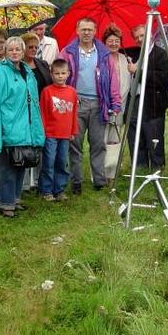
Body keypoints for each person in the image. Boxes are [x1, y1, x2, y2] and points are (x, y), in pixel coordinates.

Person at [59, 17, 121, 194]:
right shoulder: (67, 52)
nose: (86, 33)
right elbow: (58, 74)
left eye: (90, 29)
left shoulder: (104, 53)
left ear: (95, 32)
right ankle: (76, 182)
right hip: (76, 104)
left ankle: (99, 181)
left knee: (98, 144)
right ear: (77, 31)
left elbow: (113, 80)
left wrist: (115, 103)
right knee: (75, 145)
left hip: (99, 104)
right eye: (83, 29)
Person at [0, 36, 45, 217]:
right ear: (5, 51)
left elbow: (34, 102)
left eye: (18, 49)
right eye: (10, 49)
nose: (14, 52)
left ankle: (15, 198)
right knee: (8, 167)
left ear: (23, 51)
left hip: (26, 127)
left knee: (22, 163)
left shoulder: (27, 72)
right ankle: (5, 203)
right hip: (9, 126)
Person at [125, 24, 168, 169]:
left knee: (154, 136)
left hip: (153, 103)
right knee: (135, 136)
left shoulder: (161, 54)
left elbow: (162, 78)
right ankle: (139, 168)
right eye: (137, 37)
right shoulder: (136, 54)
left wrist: (138, 72)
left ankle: (157, 169)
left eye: (142, 35)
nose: (139, 39)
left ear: (150, 35)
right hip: (135, 101)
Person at [38, 59, 79, 201]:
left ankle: (59, 190)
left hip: (65, 134)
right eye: (57, 73)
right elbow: (42, 112)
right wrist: (43, 131)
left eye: (63, 73)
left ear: (68, 74)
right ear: (52, 74)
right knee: (49, 162)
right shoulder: (47, 91)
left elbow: (74, 113)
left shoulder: (72, 92)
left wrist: (73, 131)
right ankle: (46, 190)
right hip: (50, 134)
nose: (60, 76)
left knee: (62, 162)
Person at [20, 31, 52, 190]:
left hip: (41, 110)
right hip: (24, 111)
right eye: (29, 46)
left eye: (35, 47)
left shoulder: (43, 64)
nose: (33, 49)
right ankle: (25, 183)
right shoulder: (18, 66)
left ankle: (39, 180)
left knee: (40, 144)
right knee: (26, 146)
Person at [102, 24, 132, 123]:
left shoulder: (127, 59)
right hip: (104, 104)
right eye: (110, 41)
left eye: (117, 41)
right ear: (104, 42)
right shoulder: (100, 59)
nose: (114, 44)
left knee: (116, 135)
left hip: (122, 103)